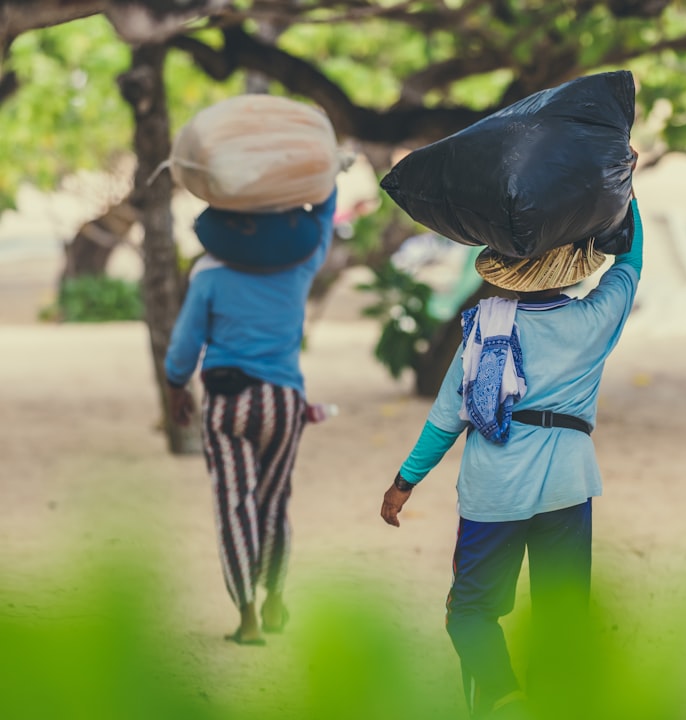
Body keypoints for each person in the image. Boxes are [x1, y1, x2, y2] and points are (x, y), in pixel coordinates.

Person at [381, 173, 642, 717]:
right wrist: (627, 190)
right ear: (568, 268)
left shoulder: (481, 331)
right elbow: (630, 266)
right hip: (568, 485)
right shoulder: (594, 320)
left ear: (506, 274)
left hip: (493, 489)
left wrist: (404, 481)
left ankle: (502, 698)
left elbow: (446, 419)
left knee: (470, 613)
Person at [165, 187, 337, 646]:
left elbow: (184, 346)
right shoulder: (298, 267)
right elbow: (322, 220)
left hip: (227, 404)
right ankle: (275, 599)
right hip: (284, 402)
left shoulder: (208, 275)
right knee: (274, 501)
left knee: (234, 504)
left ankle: (247, 619)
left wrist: (176, 385)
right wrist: (324, 178)